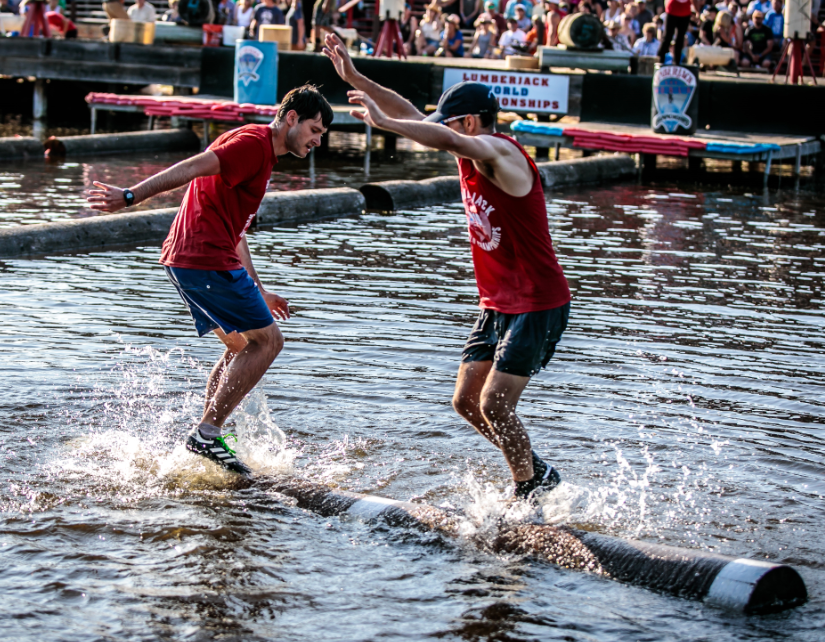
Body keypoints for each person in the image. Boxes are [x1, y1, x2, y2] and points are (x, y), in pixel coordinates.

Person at [323, 33, 571, 500]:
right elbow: (419, 119)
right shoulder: (467, 149)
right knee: (466, 402)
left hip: (537, 303)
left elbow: (431, 131)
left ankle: (527, 492)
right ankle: (536, 470)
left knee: (495, 404)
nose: (445, 135)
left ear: (471, 123)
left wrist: (386, 124)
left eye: (454, 127)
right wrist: (357, 78)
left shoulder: (503, 152)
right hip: (498, 302)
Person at [86, 86, 333, 476]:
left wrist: (258, 289)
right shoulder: (253, 145)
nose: (318, 140)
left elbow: (237, 230)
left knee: (239, 345)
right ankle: (206, 433)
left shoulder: (258, 148)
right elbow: (191, 166)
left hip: (190, 258)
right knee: (269, 341)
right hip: (203, 258)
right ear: (291, 119)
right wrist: (134, 195)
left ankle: (206, 439)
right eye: (315, 129)